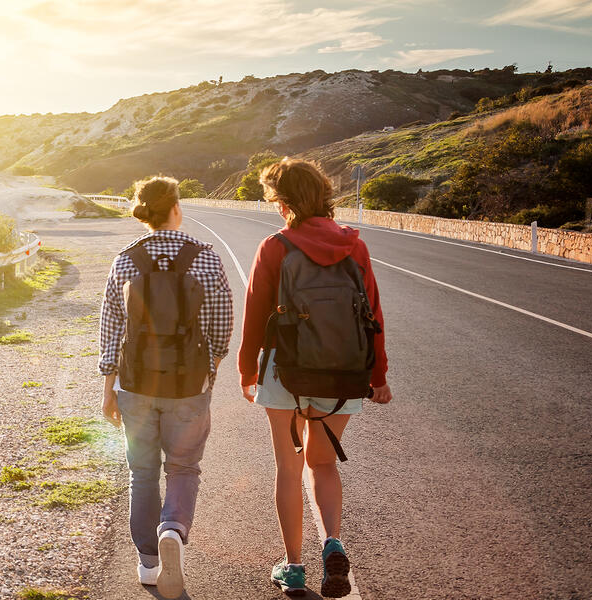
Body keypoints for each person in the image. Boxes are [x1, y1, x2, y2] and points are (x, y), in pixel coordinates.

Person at [236, 158, 391, 597]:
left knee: (288, 467)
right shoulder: (354, 247)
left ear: (283, 202)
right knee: (322, 464)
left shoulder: (276, 246)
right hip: (343, 375)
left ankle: (295, 567)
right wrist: (378, 376)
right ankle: (333, 543)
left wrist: (247, 371)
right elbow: (373, 315)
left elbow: (254, 318)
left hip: (286, 372)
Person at [99, 175, 233, 596]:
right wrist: (209, 369)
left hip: (136, 384)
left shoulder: (125, 261)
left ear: (144, 213)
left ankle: (147, 561)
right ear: (176, 208)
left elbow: (110, 328)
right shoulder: (207, 259)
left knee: (142, 472)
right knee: (184, 466)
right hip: (188, 383)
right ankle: (172, 528)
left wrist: (108, 387)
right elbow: (221, 325)